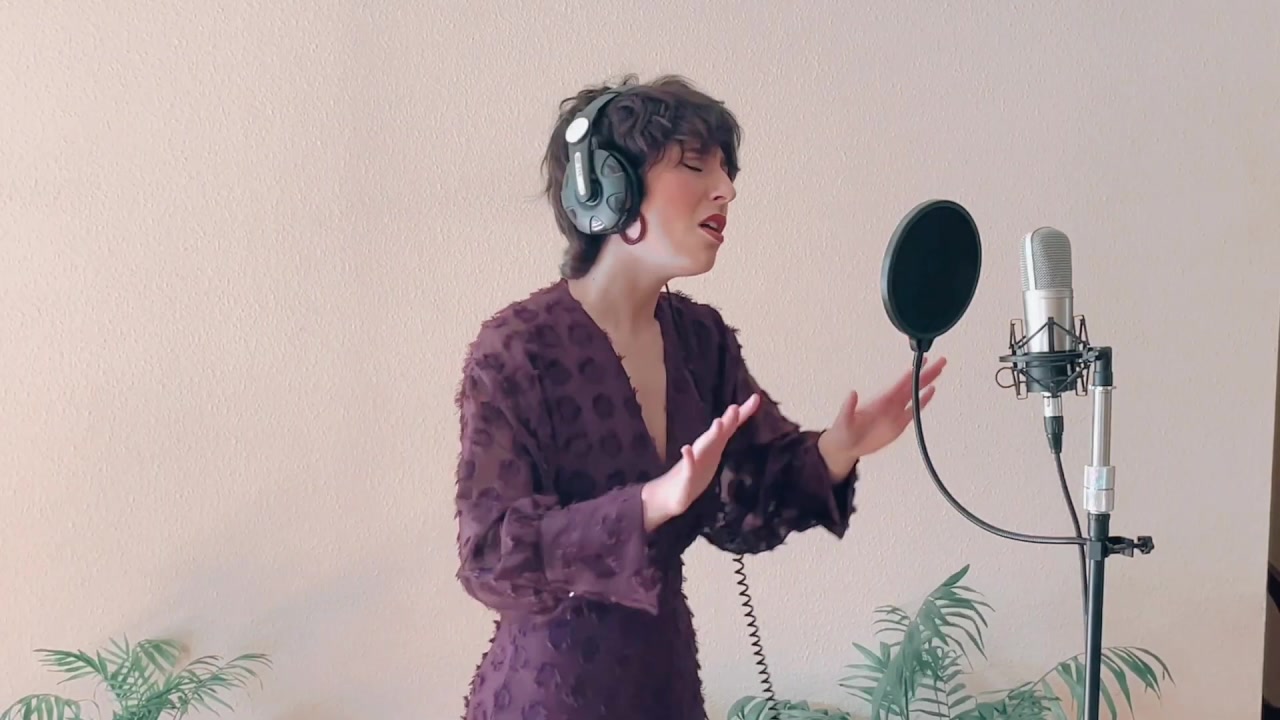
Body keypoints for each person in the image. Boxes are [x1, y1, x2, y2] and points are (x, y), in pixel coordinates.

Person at [453, 74, 946, 720]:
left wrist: (836, 450)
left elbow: (745, 507)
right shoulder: (517, 348)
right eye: (695, 166)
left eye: (725, 170)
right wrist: (651, 503)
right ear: (606, 189)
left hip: (668, 687)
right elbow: (491, 555)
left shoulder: (700, 340)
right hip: (547, 696)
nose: (726, 190)